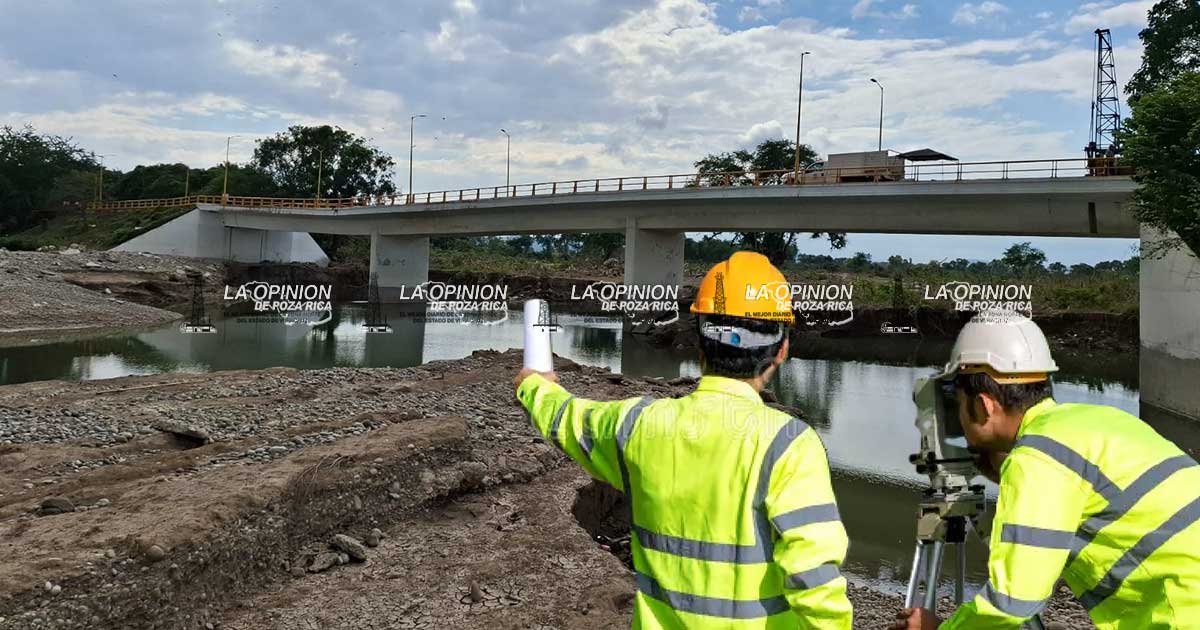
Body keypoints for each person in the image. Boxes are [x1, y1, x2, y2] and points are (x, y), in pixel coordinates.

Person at [514, 251, 852, 629]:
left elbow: (565, 418)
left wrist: (533, 385)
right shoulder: (789, 445)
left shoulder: (637, 425)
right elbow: (815, 583)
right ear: (782, 349)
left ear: (698, 342)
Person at [892, 309, 1200, 630]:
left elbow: (1013, 604)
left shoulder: (1036, 460)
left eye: (957, 403)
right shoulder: (1094, 421)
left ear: (983, 405)